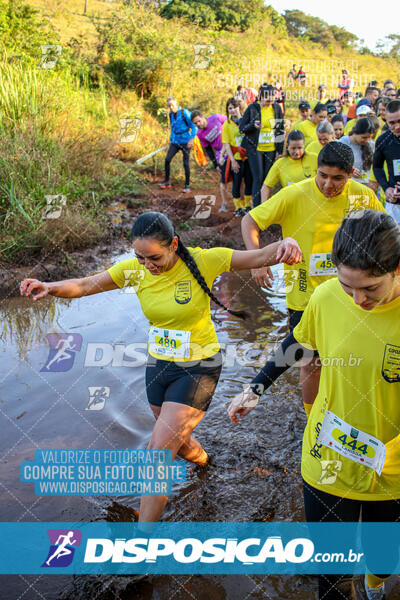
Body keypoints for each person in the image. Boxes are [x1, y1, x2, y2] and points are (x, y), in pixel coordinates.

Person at [20, 211, 302, 523]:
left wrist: (286, 243)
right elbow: (86, 285)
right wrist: (49, 286)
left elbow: (259, 255)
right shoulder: (135, 270)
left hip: (199, 367)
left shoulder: (206, 260)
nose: (147, 265)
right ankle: (208, 464)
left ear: (174, 245)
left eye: (154, 257)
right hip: (159, 365)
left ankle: (143, 545)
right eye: (140, 258)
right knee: (176, 443)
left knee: (156, 456)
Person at [228, 209, 400, 600]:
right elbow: (298, 343)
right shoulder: (324, 298)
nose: (358, 299)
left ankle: (375, 586)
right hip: (327, 458)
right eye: (347, 286)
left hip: (391, 471)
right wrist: (255, 388)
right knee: (333, 577)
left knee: (382, 557)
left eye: (371, 288)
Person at [240, 142, 383, 415]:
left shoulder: (363, 198)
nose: (328, 184)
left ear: (351, 174)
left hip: (353, 294)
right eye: (323, 175)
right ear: (316, 170)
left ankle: (350, 411)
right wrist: (257, 260)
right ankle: (312, 419)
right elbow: (250, 221)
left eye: (338, 178)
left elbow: (385, 236)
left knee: (351, 357)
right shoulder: (294, 195)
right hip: (305, 293)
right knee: (309, 360)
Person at [239, 83, 285, 208]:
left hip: (270, 148)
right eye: (267, 96)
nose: (270, 99)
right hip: (255, 148)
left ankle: (266, 207)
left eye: (272, 96)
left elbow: (280, 129)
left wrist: (279, 150)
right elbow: (241, 128)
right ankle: (256, 208)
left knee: (267, 179)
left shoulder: (276, 108)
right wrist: (253, 125)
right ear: (260, 96)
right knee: (258, 178)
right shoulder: (252, 108)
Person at [260, 130, 317, 202]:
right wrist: (264, 207)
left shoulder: (314, 158)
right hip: (290, 203)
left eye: (300, 148)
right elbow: (266, 186)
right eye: (293, 148)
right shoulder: (280, 163)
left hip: (311, 202)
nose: (297, 152)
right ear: (287, 146)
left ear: (304, 146)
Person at [191, 110, 229, 212]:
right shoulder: (199, 134)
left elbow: (230, 123)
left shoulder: (216, 117)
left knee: (240, 176)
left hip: (232, 148)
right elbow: (208, 149)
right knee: (223, 179)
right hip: (221, 154)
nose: (198, 124)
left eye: (199, 121)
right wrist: (215, 164)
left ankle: (245, 203)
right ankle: (224, 203)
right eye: (195, 123)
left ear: (203, 117)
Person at [220, 97, 252, 216]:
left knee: (249, 181)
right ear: (227, 110)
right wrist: (232, 161)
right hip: (236, 157)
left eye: (235, 107)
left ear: (239, 107)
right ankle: (238, 207)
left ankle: (248, 205)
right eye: (230, 108)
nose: (233, 110)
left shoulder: (246, 120)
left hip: (248, 156)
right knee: (237, 182)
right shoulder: (227, 125)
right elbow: (226, 143)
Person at [159, 97, 198, 193]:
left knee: (185, 163)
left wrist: (191, 139)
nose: (171, 107)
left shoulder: (184, 113)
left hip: (185, 141)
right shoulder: (170, 114)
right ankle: (167, 181)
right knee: (167, 159)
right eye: (169, 106)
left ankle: (187, 185)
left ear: (176, 103)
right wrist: (170, 139)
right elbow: (173, 128)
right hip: (175, 141)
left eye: (172, 105)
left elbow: (194, 126)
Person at [373, 99, 400, 222]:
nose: (397, 126)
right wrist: (386, 188)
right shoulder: (383, 140)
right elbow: (377, 167)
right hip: (394, 204)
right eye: (392, 123)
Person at [340, 118, 375, 187]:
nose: (367, 140)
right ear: (356, 133)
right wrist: (350, 170)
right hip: (348, 185)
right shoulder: (343, 143)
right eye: (364, 137)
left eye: (369, 138)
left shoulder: (372, 144)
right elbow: (336, 164)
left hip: (366, 186)